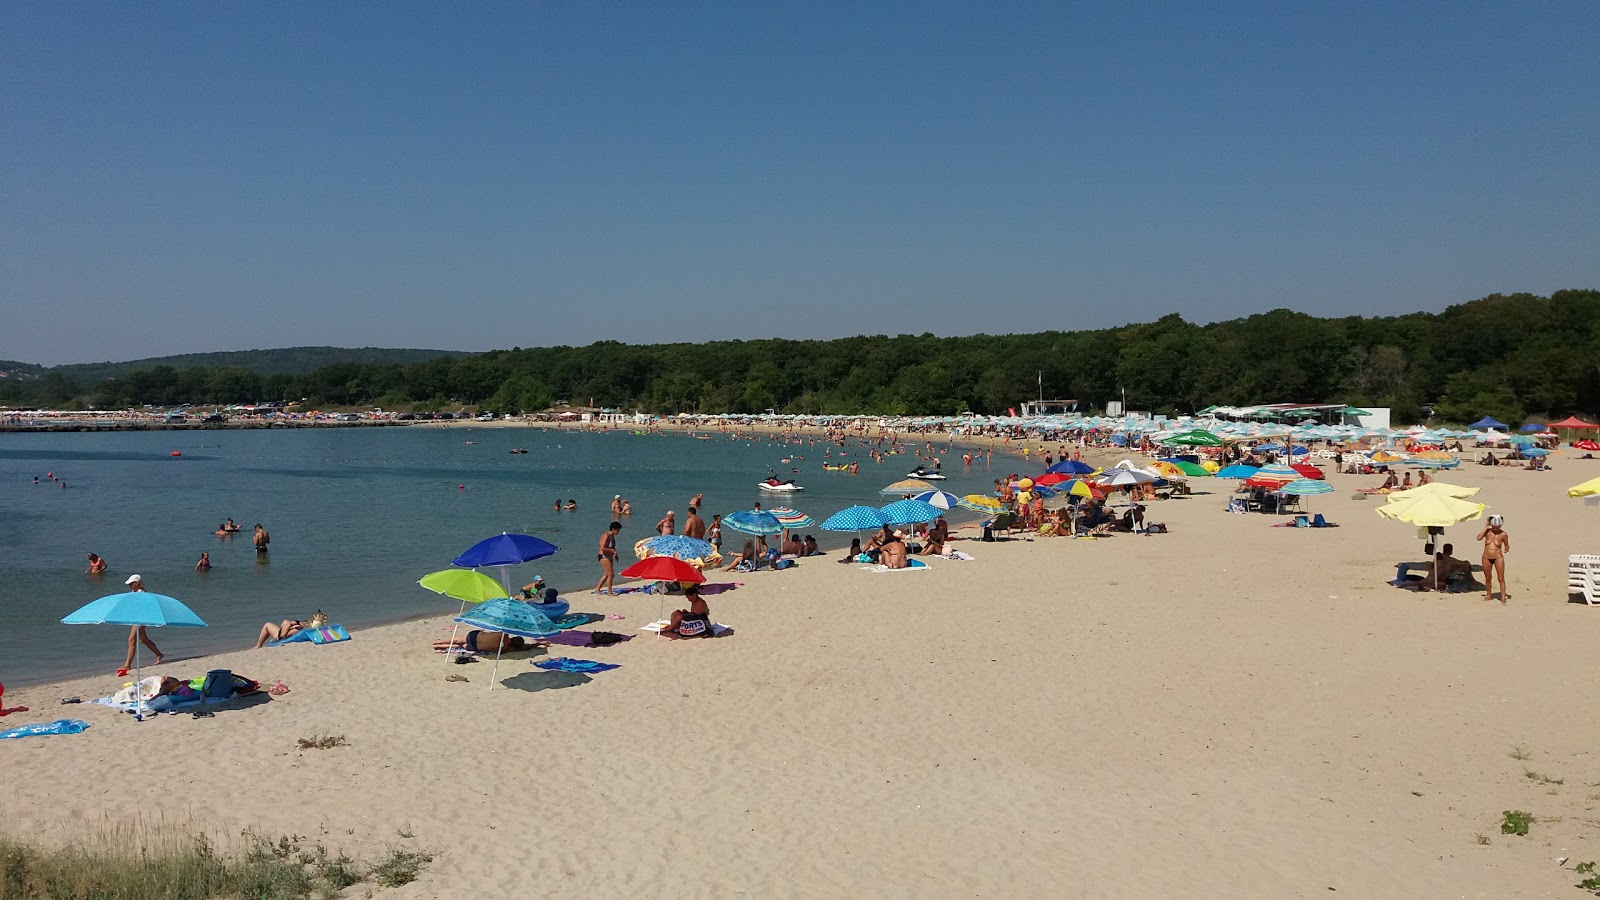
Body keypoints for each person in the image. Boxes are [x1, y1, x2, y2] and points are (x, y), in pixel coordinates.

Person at [118, 575, 164, 675]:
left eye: (131, 584)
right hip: (137, 618)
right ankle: (159, 654)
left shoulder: (142, 593)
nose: (129, 586)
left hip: (141, 619)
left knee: (131, 640)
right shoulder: (134, 593)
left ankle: (127, 665)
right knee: (143, 640)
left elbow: (145, 607)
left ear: (136, 583)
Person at [1476, 515, 1510, 603]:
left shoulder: (1503, 534)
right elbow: (1478, 538)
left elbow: (1506, 545)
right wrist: (1485, 528)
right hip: (1486, 557)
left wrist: (1506, 548)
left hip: (1498, 557)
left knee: (1501, 578)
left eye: (1497, 527)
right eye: (1494, 527)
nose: (1495, 529)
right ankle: (1489, 595)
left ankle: (1503, 597)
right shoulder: (1487, 532)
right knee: (1488, 577)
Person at [432, 631, 530, 653]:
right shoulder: (505, 649)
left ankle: (438, 642)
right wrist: (538, 643)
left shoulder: (503, 633)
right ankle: (441, 646)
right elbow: (525, 647)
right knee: (460, 645)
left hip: (476, 636)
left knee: (458, 639)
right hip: (474, 647)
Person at [594, 521, 622, 595]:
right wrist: (612, 550)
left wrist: (615, 554)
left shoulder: (612, 536)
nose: (618, 532)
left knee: (607, 574)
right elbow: (602, 548)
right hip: (603, 556)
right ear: (613, 529)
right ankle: (609, 592)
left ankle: (598, 588)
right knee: (611, 574)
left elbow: (613, 547)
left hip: (609, 556)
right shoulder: (606, 535)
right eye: (617, 530)